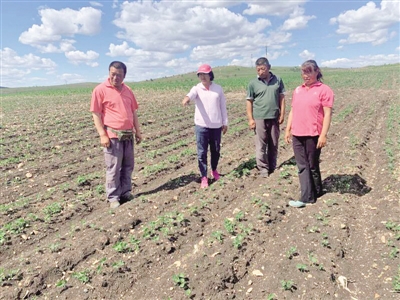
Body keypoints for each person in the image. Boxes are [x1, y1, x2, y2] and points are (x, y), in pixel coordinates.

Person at [90, 61, 142, 208]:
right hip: (112, 136)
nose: (115, 78)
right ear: (109, 73)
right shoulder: (100, 90)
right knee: (113, 167)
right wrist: (102, 134)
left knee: (128, 166)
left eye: (119, 75)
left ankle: (125, 192)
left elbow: (133, 112)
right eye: (113, 74)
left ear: (124, 75)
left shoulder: (128, 90)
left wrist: (138, 131)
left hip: (128, 135)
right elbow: (96, 114)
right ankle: (113, 197)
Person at [284, 60, 334, 208]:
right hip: (298, 133)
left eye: (309, 72)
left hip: (313, 134)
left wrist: (323, 134)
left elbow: (327, 114)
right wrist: (288, 129)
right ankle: (311, 194)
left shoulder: (324, 90)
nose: (306, 75)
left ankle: (310, 195)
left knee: (312, 164)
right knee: (303, 165)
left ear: (316, 71)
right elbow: (293, 110)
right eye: (303, 72)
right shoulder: (298, 90)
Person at [182, 64, 228, 188]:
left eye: (205, 74)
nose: (202, 76)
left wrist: (225, 122)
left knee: (216, 150)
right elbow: (190, 95)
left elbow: (222, 107)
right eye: (200, 74)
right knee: (202, 152)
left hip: (216, 125)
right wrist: (186, 99)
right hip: (201, 126)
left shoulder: (218, 89)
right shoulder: (197, 88)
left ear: (210, 74)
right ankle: (204, 176)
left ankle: (214, 170)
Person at [246, 57, 286, 177]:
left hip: (274, 116)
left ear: (269, 67)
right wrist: (250, 119)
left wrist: (282, 114)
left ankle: (272, 166)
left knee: (273, 143)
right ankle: (263, 169)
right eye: (258, 69)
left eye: (263, 69)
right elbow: (249, 101)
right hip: (259, 117)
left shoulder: (277, 80)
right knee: (261, 144)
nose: (260, 72)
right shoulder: (252, 83)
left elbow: (282, 98)